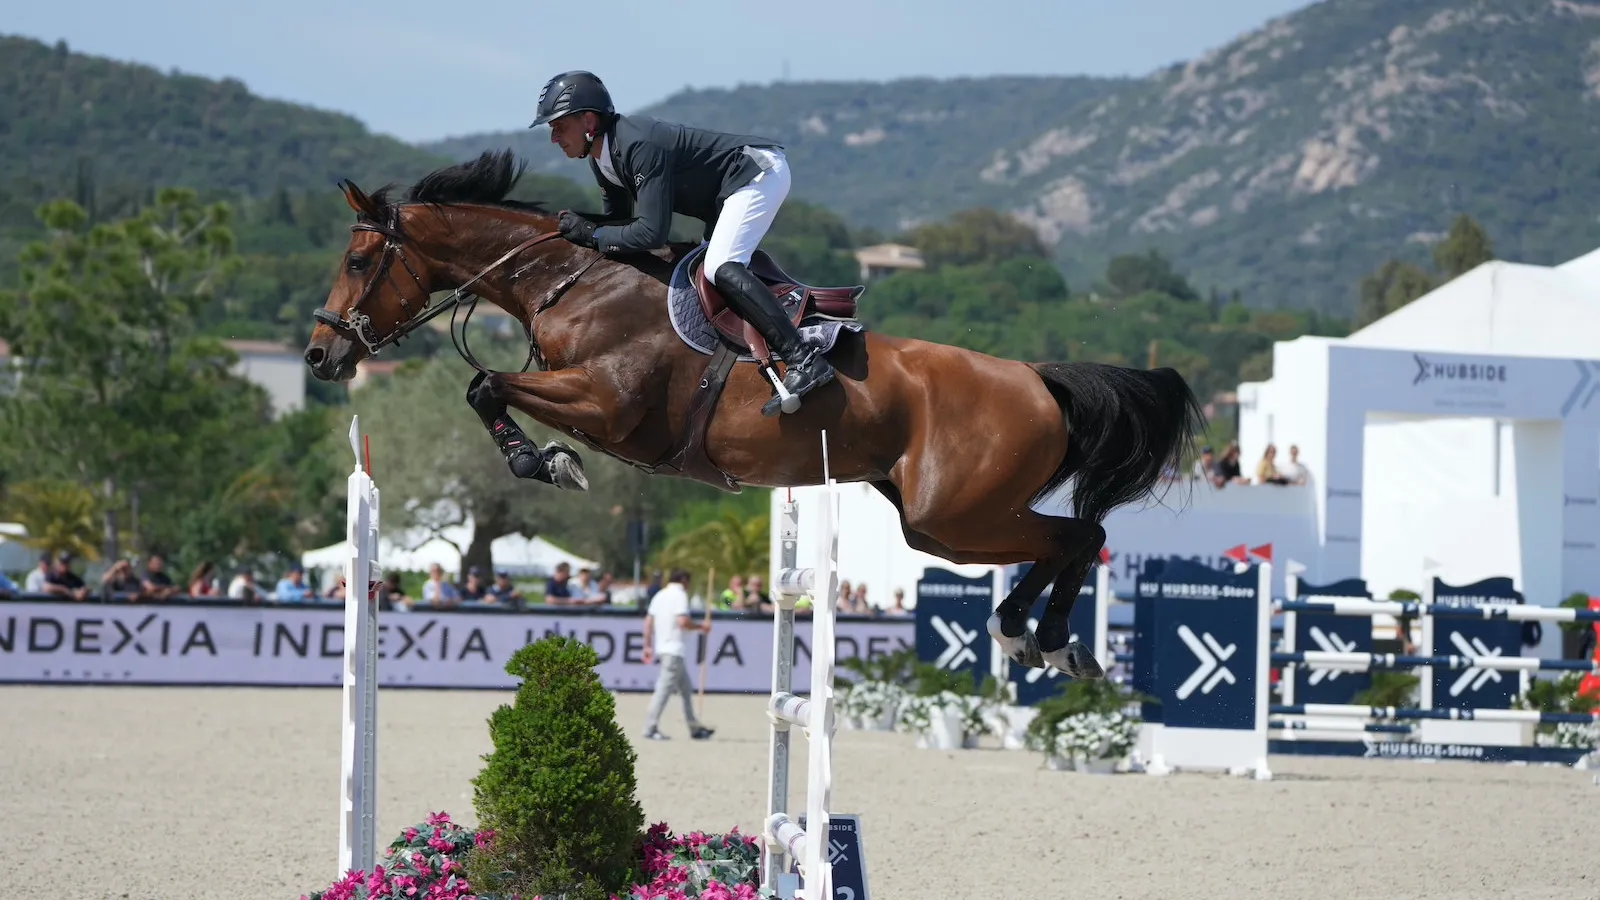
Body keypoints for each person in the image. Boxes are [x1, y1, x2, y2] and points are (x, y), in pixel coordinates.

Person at [528, 69, 834, 417]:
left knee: (720, 267)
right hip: (725, 195)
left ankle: (804, 358)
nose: (554, 137)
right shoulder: (604, 158)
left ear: (588, 120)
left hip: (756, 173)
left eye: (558, 126)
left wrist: (593, 234)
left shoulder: (637, 143)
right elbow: (619, 225)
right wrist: (580, 226)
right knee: (701, 273)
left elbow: (650, 234)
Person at [640, 569, 715, 741]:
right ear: (683, 580)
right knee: (663, 690)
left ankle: (694, 727)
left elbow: (648, 623)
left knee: (686, 689)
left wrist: (647, 645)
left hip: (665, 648)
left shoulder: (660, 595)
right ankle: (650, 727)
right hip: (674, 649)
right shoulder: (679, 595)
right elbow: (683, 622)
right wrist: (701, 627)